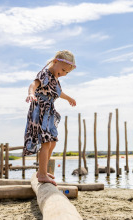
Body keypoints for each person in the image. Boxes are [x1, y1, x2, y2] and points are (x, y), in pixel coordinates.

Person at [23, 50, 76, 185]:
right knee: (46, 142)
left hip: (49, 113)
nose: (64, 74)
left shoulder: (55, 79)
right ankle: (41, 174)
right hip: (39, 111)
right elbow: (33, 84)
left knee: (52, 142)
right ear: (56, 62)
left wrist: (69, 98)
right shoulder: (45, 74)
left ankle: (43, 170)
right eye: (63, 70)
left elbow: (58, 92)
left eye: (67, 73)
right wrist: (31, 94)